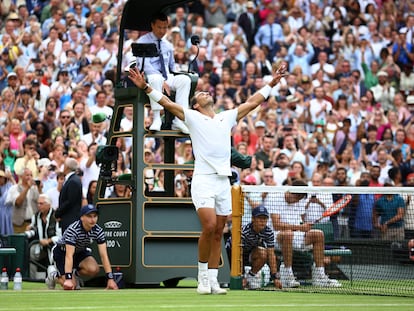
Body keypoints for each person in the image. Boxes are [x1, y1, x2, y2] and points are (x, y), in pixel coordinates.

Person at [128, 62, 286, 294]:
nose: (205, 92)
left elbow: (252, 102)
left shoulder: (226, 117)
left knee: (219, 230)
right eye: (201, 93)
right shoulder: (192, 117)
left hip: (224, 182)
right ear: (196, 105)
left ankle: (213, 279)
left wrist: (271, 83)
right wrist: (145, 87)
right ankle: (202, 277)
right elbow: (168, 103)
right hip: (203, 180)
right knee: (209, 226)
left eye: (205, 91)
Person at [267, 179, 341, 288]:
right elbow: (276, 225)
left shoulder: (301, 200)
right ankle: (288, 275)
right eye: (297, 199)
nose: (298, 201)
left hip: (295, 234)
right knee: (288, 234)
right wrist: (299, 227)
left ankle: (320, 277)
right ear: (291, 193)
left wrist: (305, 226)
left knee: (318, 234)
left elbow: (301, 220)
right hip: (276, 236)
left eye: (300, 199)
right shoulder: (275, 197)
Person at [136, 12, 191, 133]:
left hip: (167, 76)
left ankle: (179, 120)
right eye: (159, 27)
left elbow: (171, 66)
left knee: (185, 80)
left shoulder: (168, 45)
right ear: (153, 25)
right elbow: (144, 65)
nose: (162, 31)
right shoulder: (142, 41)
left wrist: (172, 77)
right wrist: (162, 81)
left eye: (165, 27)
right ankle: (156, 118)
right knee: (156, 78)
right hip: (151, 77)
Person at [45, 204, 118, 290]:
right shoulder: (73, 230)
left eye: (95, 216)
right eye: (89, 216)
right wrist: (68, 279)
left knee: (94, 269)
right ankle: (53, 275)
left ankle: (73, 273)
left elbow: (104, 255)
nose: (93, 219)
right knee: (72, 286)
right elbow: (69, 255)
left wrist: (110, 279)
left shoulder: (98, 231)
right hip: (62, 253)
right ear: (82, 217)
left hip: (80, 252)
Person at [242, 205, 282, 289]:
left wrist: (275, 277)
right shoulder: (244, 232)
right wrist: (240, 275)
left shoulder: (268, 232)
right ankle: (242, 277)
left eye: (264, 218)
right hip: (234, 255)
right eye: (259, 218)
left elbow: (271, 255)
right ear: (253, 219)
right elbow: (236, 253)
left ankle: (249, 277)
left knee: (263, 253)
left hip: (251, 255)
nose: (262, 221)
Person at [25, 194, 61, 279]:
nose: (39, 206)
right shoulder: (36, 216)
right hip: (40, 245)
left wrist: (49, 240)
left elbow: (61, 236)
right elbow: (34, 228)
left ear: (49, 204)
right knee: (31, 252)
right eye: (38, 203)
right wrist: (29, 229)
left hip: (54, 245)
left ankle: (55, 278)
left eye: (41, 203)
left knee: (54, 255)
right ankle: (32, 278)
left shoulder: (56, 216)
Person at [5, 167, 39, 233]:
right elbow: (18, 202)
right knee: (19, 242)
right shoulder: (14, 188)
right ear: (21, 176)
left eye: (31, 175)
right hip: (20, 224)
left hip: (33, 223)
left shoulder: (34, 188)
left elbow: (39, 202)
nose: (29, 177)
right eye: (27, 175)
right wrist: (27, 188)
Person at [55, 157, 83, 232]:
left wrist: (58, 212)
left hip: (70, 219)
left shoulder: (73, 181)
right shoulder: (73, 179)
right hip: (68, 218)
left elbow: (70, 201)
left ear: (67, 167)